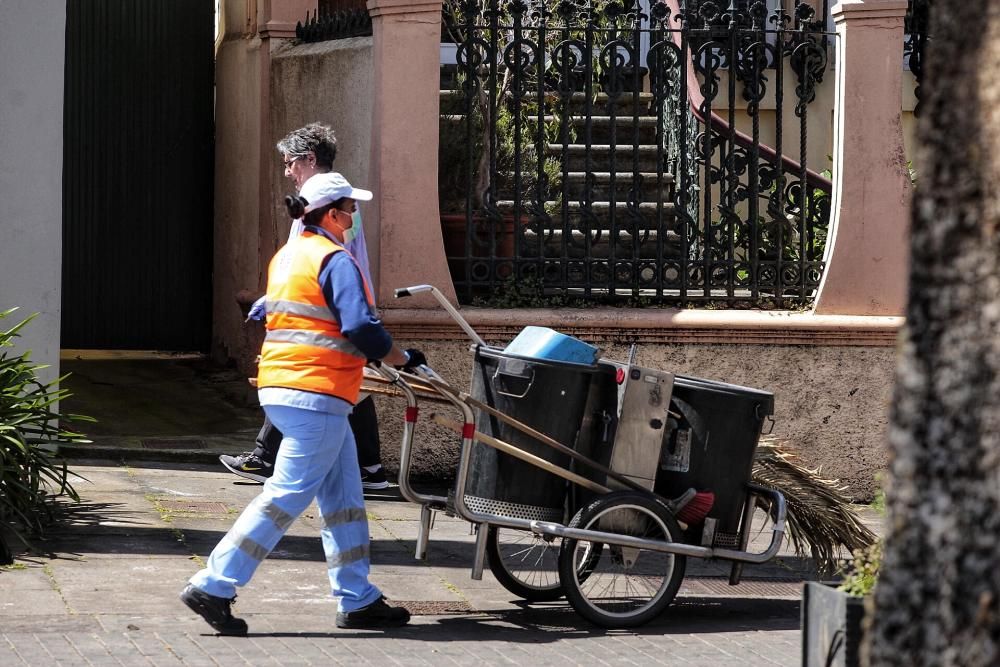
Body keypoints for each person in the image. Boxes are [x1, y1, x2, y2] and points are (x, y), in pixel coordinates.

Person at [181, 172, 424, 634]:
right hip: (317, 393)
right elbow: (362, 329)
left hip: (286, 388)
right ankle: (214, 584)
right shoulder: (335, 260)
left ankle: (358, 598)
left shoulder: (289, 256)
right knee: (285, 495)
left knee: (344, 499)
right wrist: (404, 358)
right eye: (350, 209)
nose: (354, 217)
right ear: (331, 214)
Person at [219, 123, 391, 490]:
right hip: (342, 303)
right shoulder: (337, 195)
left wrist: (276, 299)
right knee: (350, 383)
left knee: (295, 379)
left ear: (309, 159)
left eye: (289, 163)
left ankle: (266, 458)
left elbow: (311, 257)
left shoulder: (319, 198)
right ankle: (369, 469)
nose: (287, 172)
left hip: (328, 307)